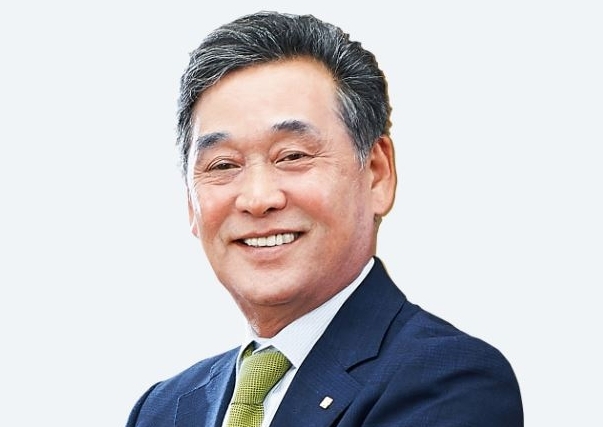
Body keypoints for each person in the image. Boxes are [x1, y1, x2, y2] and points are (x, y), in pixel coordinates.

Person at [125, 11, 524, 427]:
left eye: (292, 156)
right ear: (191, 203)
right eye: (223, 165)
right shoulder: (161, 410)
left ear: (377, 174)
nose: (258, 199)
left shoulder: (447, 382)